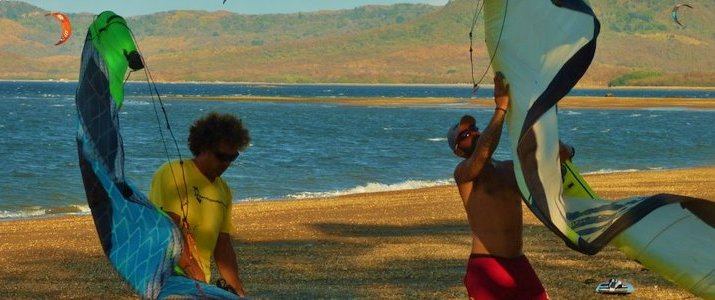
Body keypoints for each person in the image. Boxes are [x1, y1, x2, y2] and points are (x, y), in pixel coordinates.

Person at [447, 72, 573, 300]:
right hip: (486, 266)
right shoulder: (464, 174)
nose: (473, 132)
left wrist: (563, 148)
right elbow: (483, 154)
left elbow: (548, 160)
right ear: (458, 150)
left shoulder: (508, 169)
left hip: (518, 262)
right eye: (465, 134)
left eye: (474, 127)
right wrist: (501, 109)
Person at [149, 112, 250, 297]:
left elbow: (223, 245)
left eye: (232, 158)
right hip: (168, 280)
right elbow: (170, 231)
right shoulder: (173, 173)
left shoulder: (223, 190)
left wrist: (237, 292)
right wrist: (196, 276)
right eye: (221, 156)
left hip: (199, 283)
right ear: (203, 148)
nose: (226, 164)